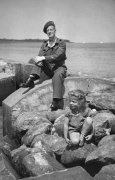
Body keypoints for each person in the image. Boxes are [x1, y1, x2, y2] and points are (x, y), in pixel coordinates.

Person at [20, 21, 67, 111]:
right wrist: (39, 60)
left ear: (55, 30)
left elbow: (57, 56)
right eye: (47, 30)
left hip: (59, 68)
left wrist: (43, 58)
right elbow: (39, 56)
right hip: (48, 69)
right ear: (46, 33)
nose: (49, 31)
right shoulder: (44, 44)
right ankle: (31, 79)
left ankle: (55, 101)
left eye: (51, 29)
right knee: (38, 60)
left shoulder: (61, 43)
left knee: (57, 75)